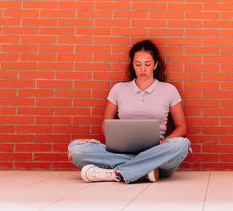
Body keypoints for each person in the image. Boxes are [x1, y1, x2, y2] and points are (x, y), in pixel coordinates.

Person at [68, 39, 191, 183]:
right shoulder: (118, 89)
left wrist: (163, 144)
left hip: (157, 149)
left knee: (181, 144)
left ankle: (117, 172)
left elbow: (182, 127)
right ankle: (144, 170)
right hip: (122, 148)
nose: (143, 69)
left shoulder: (169, 90)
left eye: (147, 64)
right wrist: (115, 142)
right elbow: (105, 124)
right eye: (138, 64)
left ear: (155, 65)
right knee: (75, 148)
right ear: (132, 65)